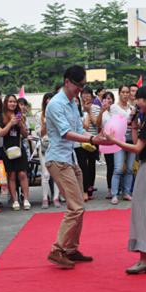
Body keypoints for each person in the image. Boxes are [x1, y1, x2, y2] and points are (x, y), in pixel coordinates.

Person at [45, 65, 109, 269]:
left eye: (83, 85)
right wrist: (91, 139)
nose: (81, 90)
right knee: (76, 207)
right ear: (67, 82)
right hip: (59, 159)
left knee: (79, 206)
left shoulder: (73, 102)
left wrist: (97, 136)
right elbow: (65, 133)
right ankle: (57, 250)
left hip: (70, 157)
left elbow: (79, 128)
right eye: (79, 85)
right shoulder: (56, 104)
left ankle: (71, 249)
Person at [105, 84, 146, 274]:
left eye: (139, 99)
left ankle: (144, 259)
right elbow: (139, 143)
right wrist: (133, 125)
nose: (137, 102)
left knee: (142, 212)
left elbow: (136, 148)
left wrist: (113, 140)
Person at [0, 94, 31, 211]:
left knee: (22, 174)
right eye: (10, 101)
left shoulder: (20, 115)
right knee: (11, 175)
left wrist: (21, 124)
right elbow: (1, 133)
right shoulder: (1, 117)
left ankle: (26, 199)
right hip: (7, 149)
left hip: (19, 148)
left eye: (14, 102)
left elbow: (25, 135)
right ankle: (15, 200)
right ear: (6, 103)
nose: (12, 104)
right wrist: (10, 123)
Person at [109, 85, 136, 204]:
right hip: (119, 140)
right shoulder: (114, 107)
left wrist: (134, 117)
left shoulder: (132, 107)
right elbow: (116, 122)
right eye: (123, 92)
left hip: (131, 139)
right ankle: (114, 194)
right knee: (118, 168)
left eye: (127, 92)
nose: (125, 94)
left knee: (130, 169)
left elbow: (136, 124)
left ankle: (127, 192)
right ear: (119, 93)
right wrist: (130, 117)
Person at [36, 93, 61, 208]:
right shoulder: (39, 115)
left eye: (52, 99)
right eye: (48, 99)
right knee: (45, 174)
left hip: (56, 146)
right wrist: (45, 124)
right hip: (44, 146)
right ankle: (45, 198)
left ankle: (56, 197)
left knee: (56, 173)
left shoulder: (58, 114)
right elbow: (39, 134)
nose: (49, 101)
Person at [80, 87, 99, 200]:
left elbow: (96, 123)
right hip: (81, 139)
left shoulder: (96, 108)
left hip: (93, 139)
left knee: (92, 164)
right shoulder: (77, 107)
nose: (86, 96)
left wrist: (89, 111)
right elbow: (84, 126)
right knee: (83, 165)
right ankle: (85, 188)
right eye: (84, 94)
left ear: (92, 96)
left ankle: (90, 186)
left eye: (88, 94)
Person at [96, 91, 116, 198]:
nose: (108, 100)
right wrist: (101, 111)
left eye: (110, 98)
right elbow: (98, 124)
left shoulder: (116, 110)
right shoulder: (103, 112)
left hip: (117, 141)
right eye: (106, 98)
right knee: (110, 166)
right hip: (106, 142)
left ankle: (118, 188)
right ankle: (110, 189)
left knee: (118, 166)